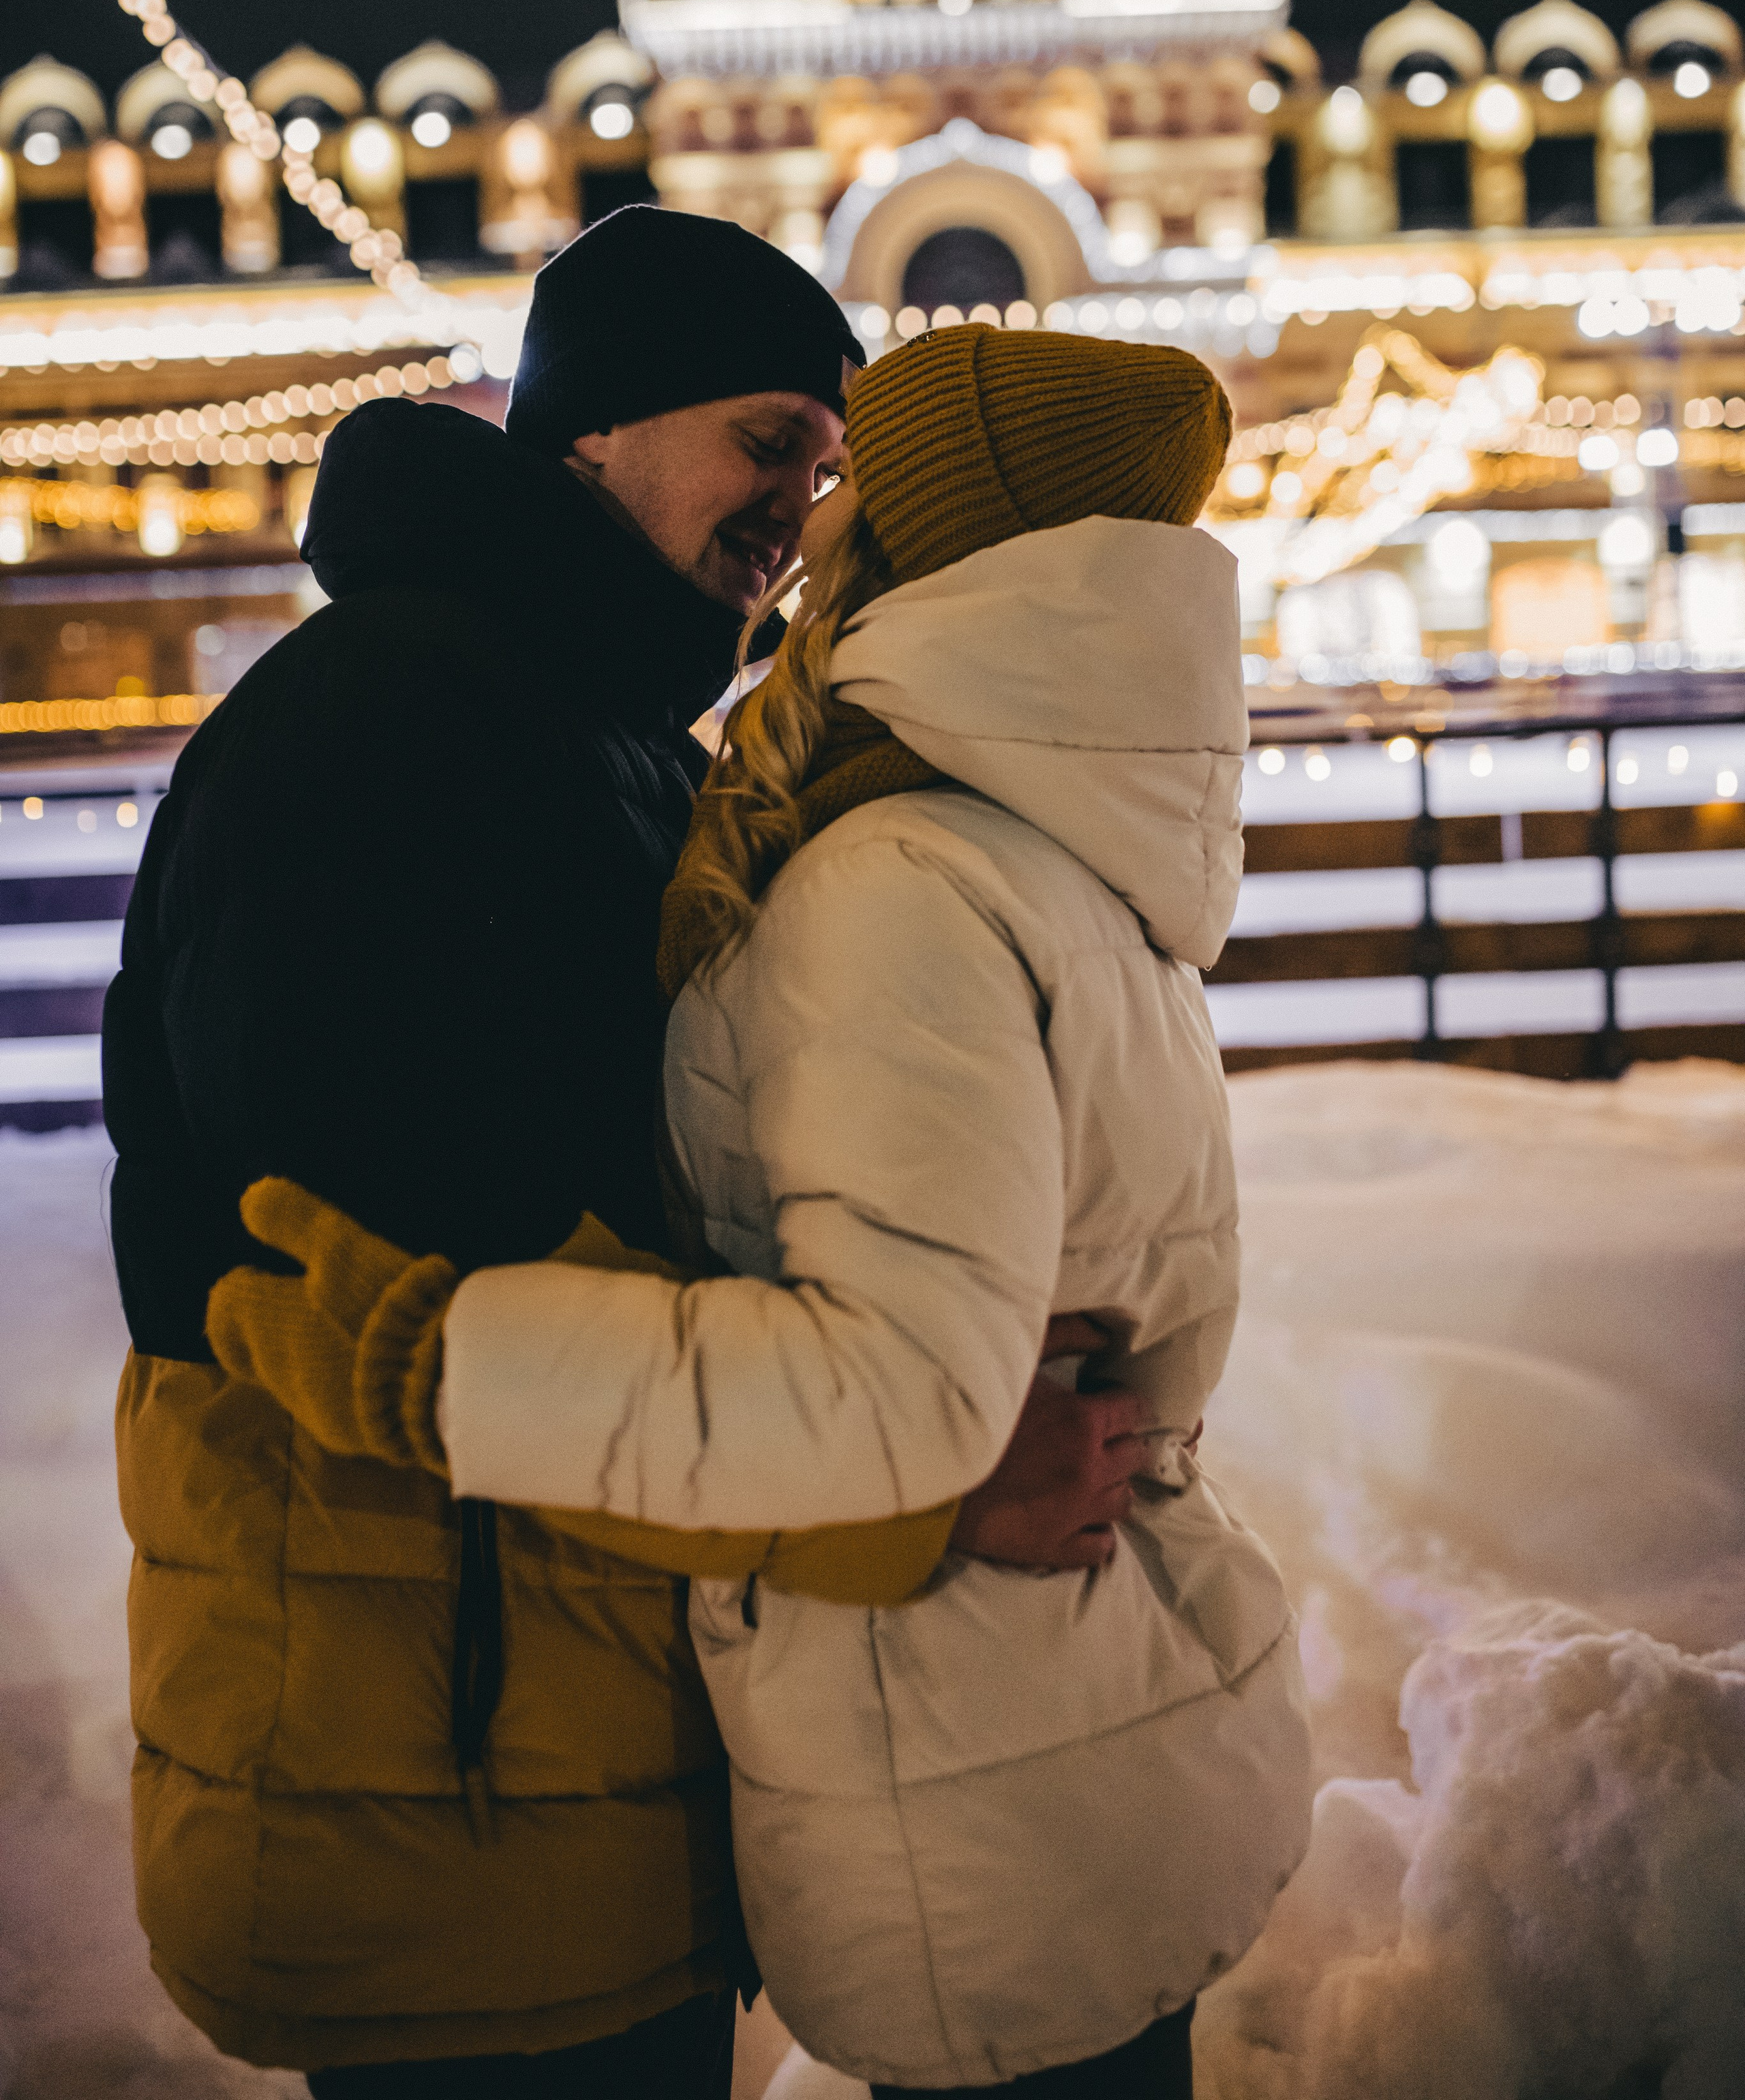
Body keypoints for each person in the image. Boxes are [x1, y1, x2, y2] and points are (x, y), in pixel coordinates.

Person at [209, 321, 1316, 2095]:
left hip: (970, 1765)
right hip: (1067, 1725)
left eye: (848, 481)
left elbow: (898, 1396)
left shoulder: (902, 881)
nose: (809, 520)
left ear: (921, 549)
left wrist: (446, 1359)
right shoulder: (1049, 846)